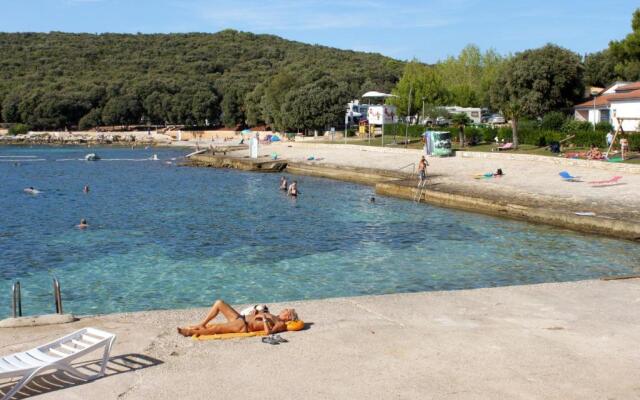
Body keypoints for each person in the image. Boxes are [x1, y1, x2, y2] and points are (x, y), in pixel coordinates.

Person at [177, 299, 298, 337]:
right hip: (240, 318)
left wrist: (264, 319)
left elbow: (268, 333)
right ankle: (202, 324)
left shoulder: (281, 323)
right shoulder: (274, 315)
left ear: (288, 317)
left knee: (217, 328)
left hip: (243, 326)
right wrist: (258, 312)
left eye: (286, 311)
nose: (283, 310)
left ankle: (190, 332)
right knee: (219, 303)